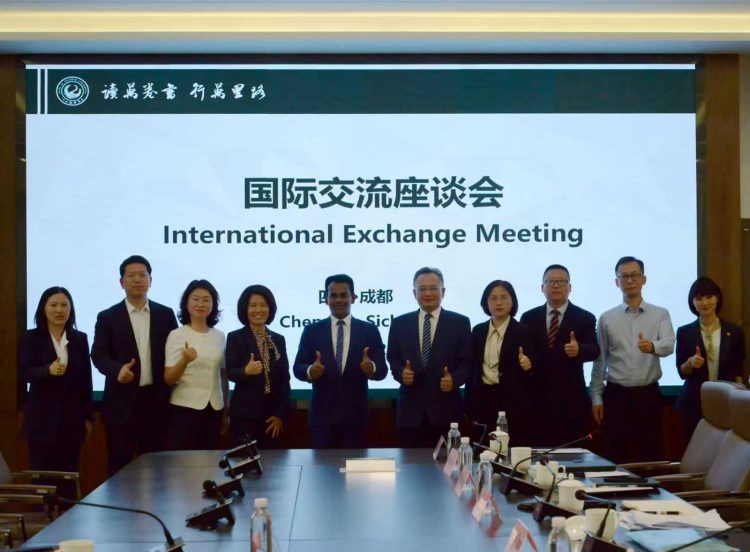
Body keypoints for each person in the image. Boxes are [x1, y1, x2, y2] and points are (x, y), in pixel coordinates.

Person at [92, 255, 178, 475]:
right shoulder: (108, 317)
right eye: (131, 276)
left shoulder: (165, 315)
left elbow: (174, 353)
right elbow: (98, 355)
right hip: (121, 405)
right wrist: (116, 370)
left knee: (157, 469)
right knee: (119, 468)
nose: (137, 280)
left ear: (151, 280)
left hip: (156, 402)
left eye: (142, 275)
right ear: (122, 282)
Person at [591, 256, 675, 464]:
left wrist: (652, 346)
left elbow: (669, 345)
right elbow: (600, 360)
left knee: (650, 455)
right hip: (616, 396)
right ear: (616, 282)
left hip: (648, 395)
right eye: (624, 276)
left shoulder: (660, 314)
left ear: (644, 279)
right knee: (614, 456)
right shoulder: (607, 318)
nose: (629, 280)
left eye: (634, 275)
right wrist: (596, 398)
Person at [292, 274, 387, 448]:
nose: (338, 300)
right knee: (322, 466)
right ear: (325, 299)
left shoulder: (369, 330)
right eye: (333, 295)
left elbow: (382, 370)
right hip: (322, 419)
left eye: (344, 295)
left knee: (354, 466)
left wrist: (371, 368)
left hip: (356, 419)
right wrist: (310, 371)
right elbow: (298, 367)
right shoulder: (312, 331)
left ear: (353, 297)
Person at [18, 286, 93, 499]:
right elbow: (22, 372)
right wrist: (46, 370)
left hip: (72, 423)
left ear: (71, 309)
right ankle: (44, 517)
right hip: (41, 422)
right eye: (53, 305)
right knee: (43, 480)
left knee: (68, 480)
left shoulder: (79, 339)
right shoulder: (31, 338)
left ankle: (68, 517)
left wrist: (88, 417)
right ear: (43, 309)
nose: (59, 310)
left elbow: (85, 381)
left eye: (64, 305)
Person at [388, 267, 472, 447]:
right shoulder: (399, 323)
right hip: (410, 414)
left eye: (433, 288)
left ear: (443, 291)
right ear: (414, 293)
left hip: (447, 412)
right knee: (410, 464)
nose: (428, 293)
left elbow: (467, 361)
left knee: (448, 464)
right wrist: (401, 373)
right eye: (422, 289)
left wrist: (455, 379)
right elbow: (393, 358)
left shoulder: (460, 323)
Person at [520, 264, 600, 445]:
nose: (556, 285)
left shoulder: (584, 317)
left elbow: (595, 350)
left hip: (570, 401)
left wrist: (579, 350)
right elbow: (526, 351)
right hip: (536, 401)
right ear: (542, 287)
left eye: (561, 282)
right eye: (550, 282)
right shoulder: (528, 317)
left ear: (570, 287)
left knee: (571, 456)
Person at [467, 280, 537, 446]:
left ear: (512, 302)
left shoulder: (523, 331)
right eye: (493, 298)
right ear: (486, 302)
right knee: (484, 451)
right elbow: (472, 370)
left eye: (504, 297)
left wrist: (529, 366)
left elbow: (536, 366)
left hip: (513, 405)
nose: (498, 303)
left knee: (511, 451)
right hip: (483, 402)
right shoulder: (478, 331)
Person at [675, 277, 745, 438]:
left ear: (717, 298)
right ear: (692, 302)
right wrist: (690, 363)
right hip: (694, 402)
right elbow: (682, 372)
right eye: (699, 298)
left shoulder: (734, 332)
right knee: (696, 447)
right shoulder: (685, 332)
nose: (704, 303)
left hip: (726, 399)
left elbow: (738, 368)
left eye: (709, 297)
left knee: (725, 446)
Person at [164, 279, 229, 450]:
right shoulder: (177, 335)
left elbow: (222, 374)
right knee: (184, 462)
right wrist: (185, 360)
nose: (201, 304)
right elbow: (169, 379)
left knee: (209, 460)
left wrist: (225, 408)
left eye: (206, 300)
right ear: (186, 303)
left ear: (213, 305)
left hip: (214, 408)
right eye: (196, 299)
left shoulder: (219, 336)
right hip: (185, 408)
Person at [226, 284, 291, 448]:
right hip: (244, 418)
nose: (258, 310)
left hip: (272, 418)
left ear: (270, 308)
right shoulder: (235, 337)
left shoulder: (278, 339)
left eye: (263, 305)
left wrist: (280, 415)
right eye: (253, 305)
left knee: (274, 463)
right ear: (245, 309)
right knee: (246, 462)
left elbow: (284, 380)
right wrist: (245, 371)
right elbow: (230, 372)